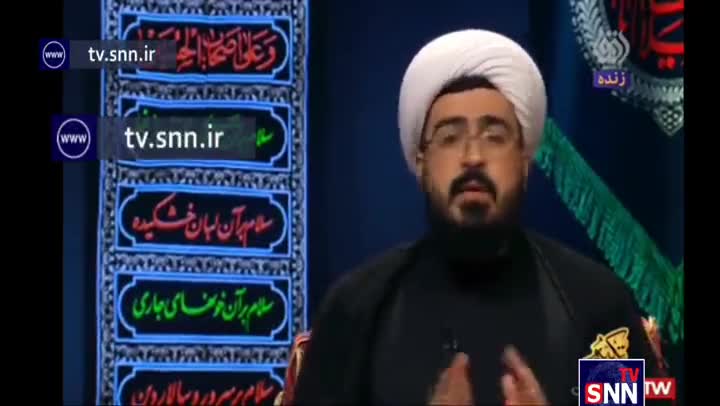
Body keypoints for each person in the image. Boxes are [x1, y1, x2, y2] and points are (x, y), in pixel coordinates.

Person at [293, 29, 665, 405]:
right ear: (421, 162)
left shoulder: (596, 308)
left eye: (494, 136)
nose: (473, 157)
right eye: (450, 137)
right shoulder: (356, 311)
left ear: (524, 160)